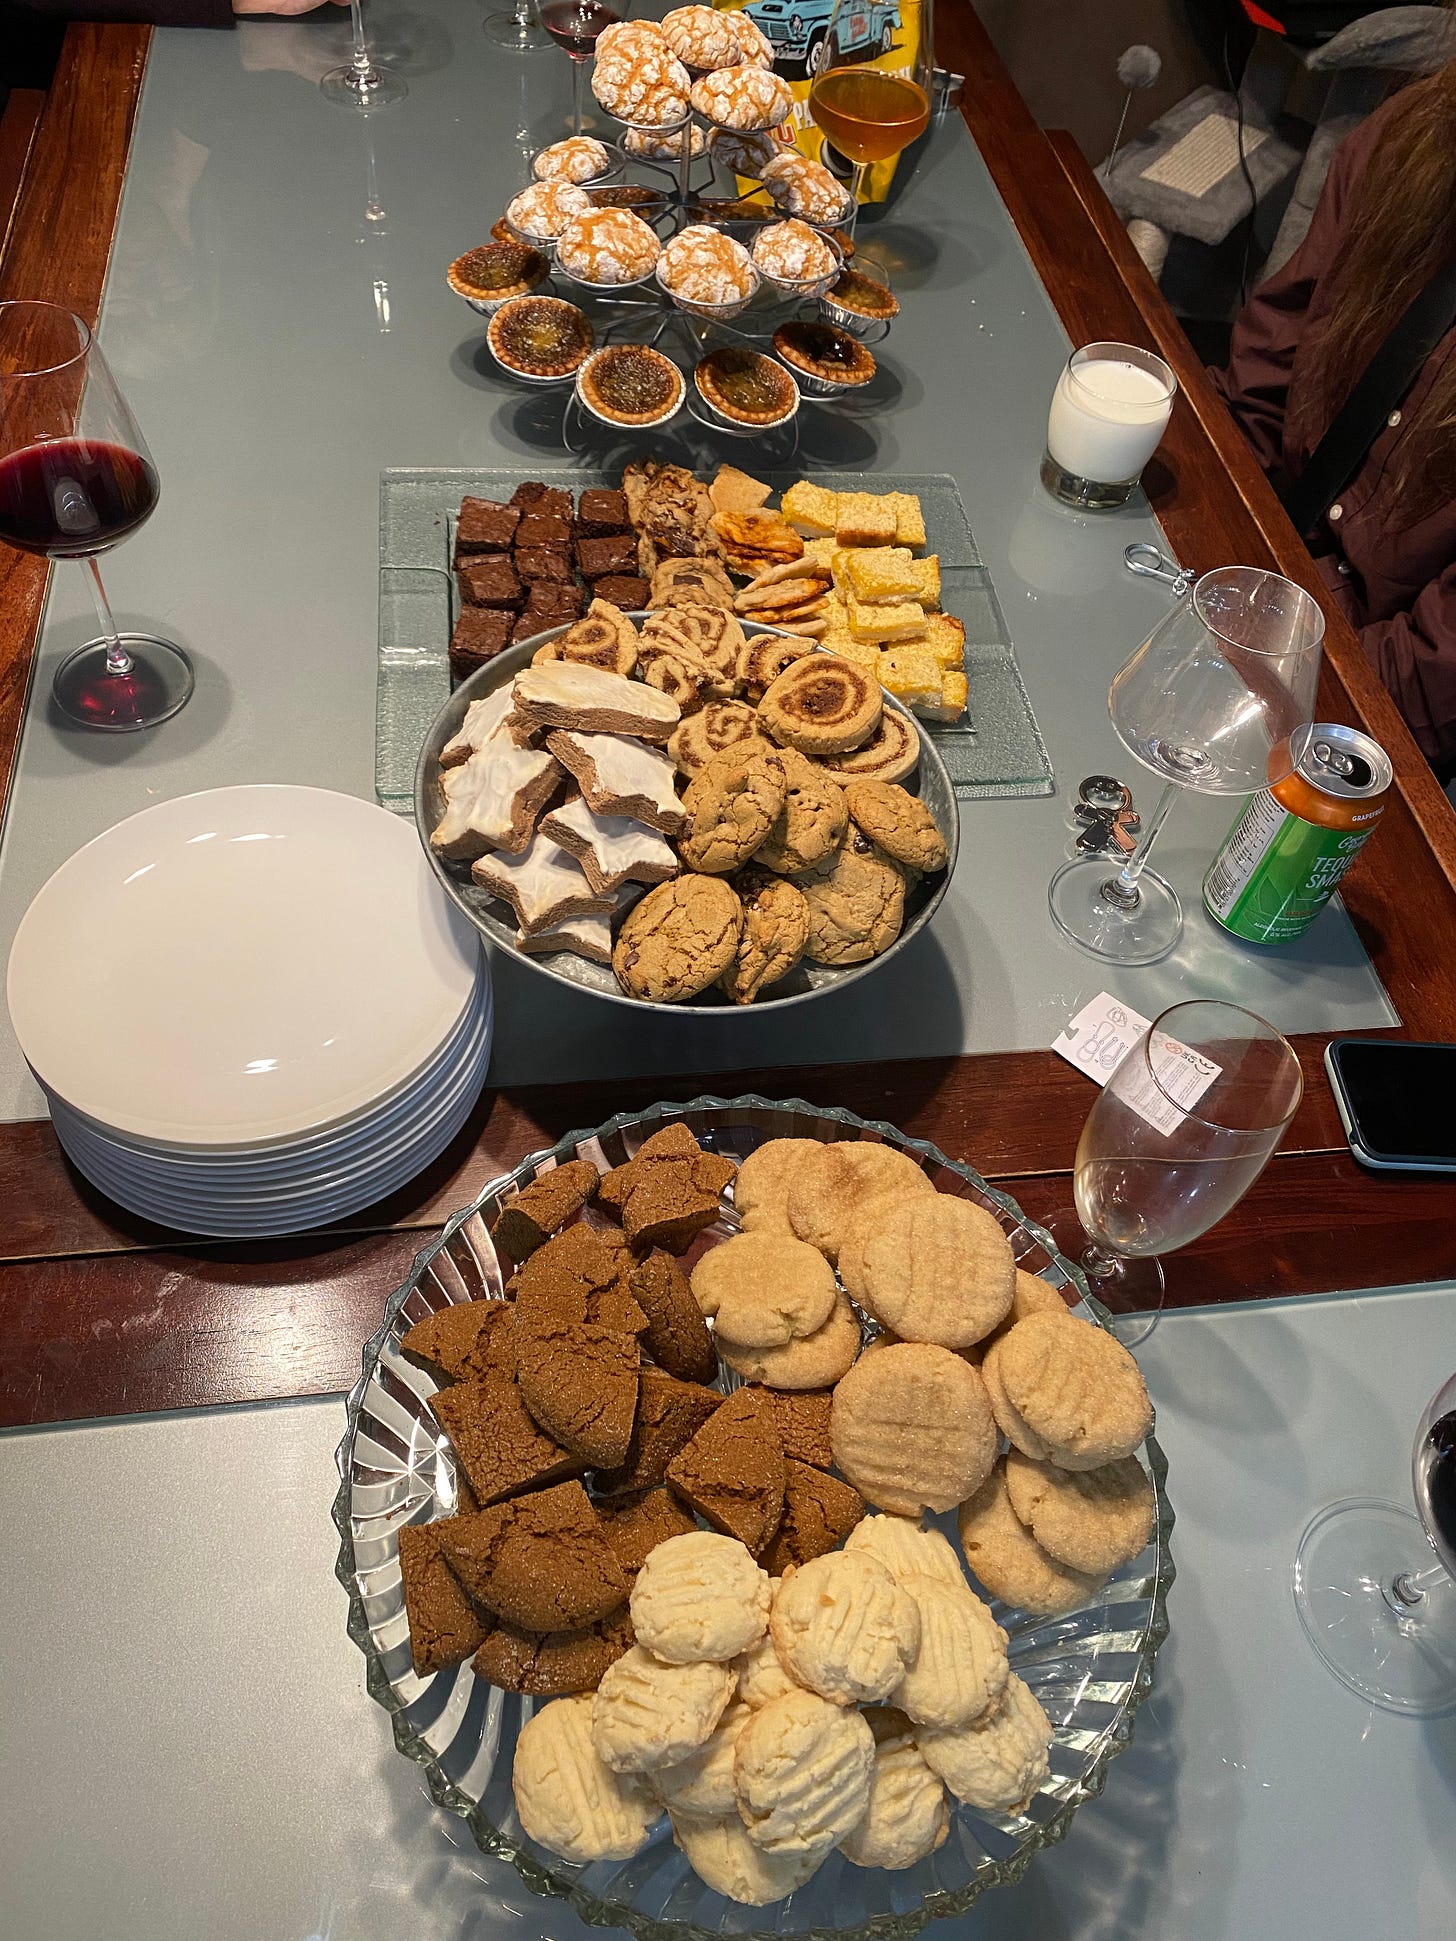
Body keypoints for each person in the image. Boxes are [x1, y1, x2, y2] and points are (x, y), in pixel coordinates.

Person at [1213, 59, 1456, 780]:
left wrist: (1274, 684)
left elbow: (1436, 670)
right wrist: (1211, 521)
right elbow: (1272, 353)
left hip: (1370, 697)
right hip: (1262, 554)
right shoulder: (1417, 129)